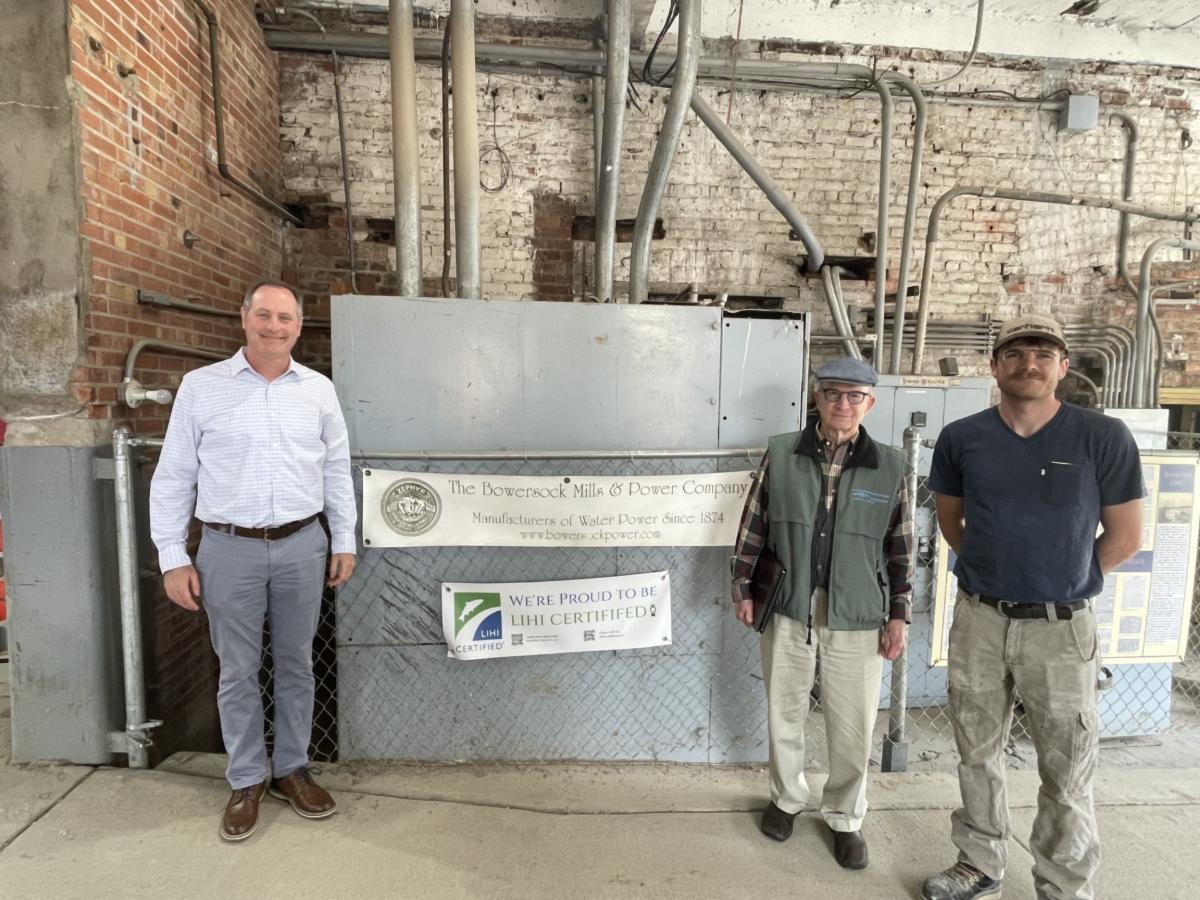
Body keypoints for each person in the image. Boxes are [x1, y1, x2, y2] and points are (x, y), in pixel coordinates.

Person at [921, 314, 1144, 900]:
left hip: (1062, 628)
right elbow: (952, 523)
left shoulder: (1102, 436)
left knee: (1067, 766)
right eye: (1016, 353)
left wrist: (1062, 581)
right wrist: (996, 575)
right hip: (980, 620)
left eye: (1044, 353)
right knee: (976, 752)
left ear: (1063, 367)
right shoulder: (961, 438)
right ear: (995, 367)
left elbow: (1125, 537)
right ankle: (979, 863)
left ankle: (1063, 883)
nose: (1030, 363)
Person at [150, 281, 358, 842]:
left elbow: (335, 469)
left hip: (302, 545)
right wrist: (173, 555)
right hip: (227, 548)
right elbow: (174, 475)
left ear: (299, 326)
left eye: (285, 318)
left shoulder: (318, 390)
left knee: (296, 663)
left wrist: (343, 537)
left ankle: (292, 769)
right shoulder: (202, 387)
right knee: (237, 669)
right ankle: (246, 779)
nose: (274, 326)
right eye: (264, 315)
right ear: (244, 319)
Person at [731, 357, 912, 870]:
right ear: (817, 397)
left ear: (870, 403)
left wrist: (899, 614)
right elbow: (753, 525)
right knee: (784, 710)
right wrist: (742, 587)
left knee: (853, 723)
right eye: (833, 393)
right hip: (790, 605)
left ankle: (845, 817)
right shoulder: (782, 454)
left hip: (858, 613)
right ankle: (787, 799)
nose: (843, 404)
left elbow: (901, 546)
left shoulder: (890, 465)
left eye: (855, 396)